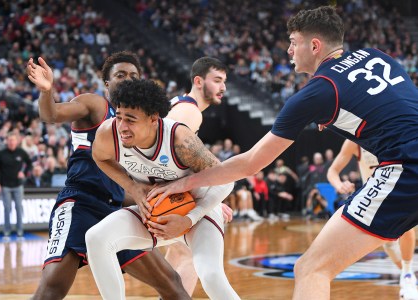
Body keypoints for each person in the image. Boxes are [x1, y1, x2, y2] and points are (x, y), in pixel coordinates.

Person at [147, 6, 418, 299]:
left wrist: (183, 183)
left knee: (311, 269)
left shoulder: (317, 92)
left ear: (314, 46)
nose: (288, 49)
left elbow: (251, 163)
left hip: (406, 168)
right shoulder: (376, 55)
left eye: (293, 41)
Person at [26, 52, 189, 300]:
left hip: (114, 209)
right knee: (52, 291)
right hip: (81, 203)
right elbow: (51, 115)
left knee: (172, 284)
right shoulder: (96, 105)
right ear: (107, 84)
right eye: (120, 75)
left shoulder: (141, 124)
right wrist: (47, 91)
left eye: (133, 76)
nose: (127, 79)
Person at [85, 79, 239, 300]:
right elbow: (100, 158)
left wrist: (190, 219)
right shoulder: (109, 134)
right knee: (96, 238)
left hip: (197, 212)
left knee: (211, 276)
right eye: (118, 117)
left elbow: (226, 180)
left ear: (153, 119)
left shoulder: (179, 139)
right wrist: (133, 187)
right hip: (154, 214)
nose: (122, 126)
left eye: (130, 119)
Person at [164, 56, 233, 295]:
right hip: (168, 193)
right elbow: (170, 157)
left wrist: (211, 198)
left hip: (169, 190)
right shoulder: (190, 112)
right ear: (198, 81)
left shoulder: (181, 106)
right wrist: (205, 198)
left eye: (224, 81)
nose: (223, 87)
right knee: (191, 260)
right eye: (217, 80)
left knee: (176, 257)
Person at [327, 139, 418, 299]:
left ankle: (408, 275)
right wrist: (339, 184)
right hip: (376, 199)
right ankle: (407, 273)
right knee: (390, 246)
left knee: (405, 226)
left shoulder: (399, 131)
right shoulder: (354, 142)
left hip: (401, 192)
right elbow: (332, 171)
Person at [0, 131, 32, 240]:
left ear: (17, 141)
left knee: (19, 208)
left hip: (18, 185)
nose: (11, 142)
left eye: (13, 140)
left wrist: (24, 172)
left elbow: (29, 163)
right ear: (7, 141)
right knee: (7, 208)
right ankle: (7, 231)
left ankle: (20, 231)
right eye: (9, 140)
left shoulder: (21, 152)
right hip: (5, 185)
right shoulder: (1, 154)